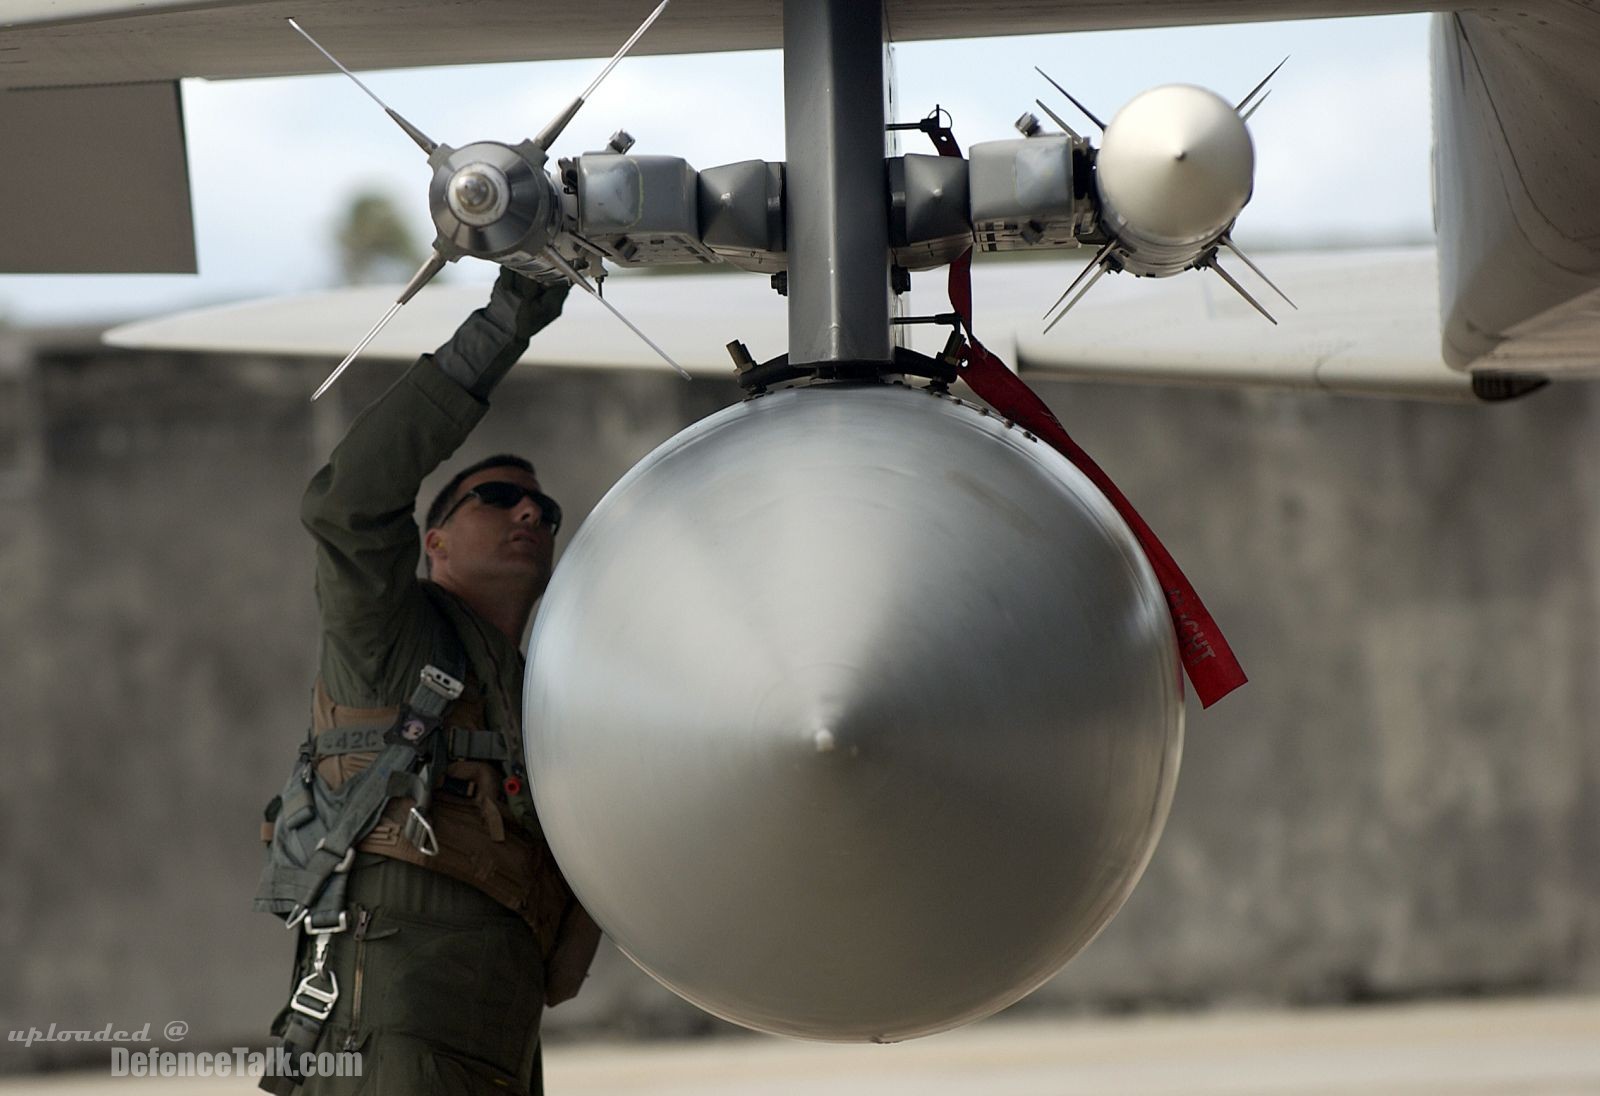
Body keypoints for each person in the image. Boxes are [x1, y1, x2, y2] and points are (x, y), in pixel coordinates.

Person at [261, 269, 597, 1096]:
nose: (531, 514)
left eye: (545, 511)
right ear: (435, 541)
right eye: (500, 497)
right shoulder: (391, 634)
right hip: (394, 1020)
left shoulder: (559, 687)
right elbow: (349, 504)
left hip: (507, 1029)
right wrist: (510, 316)